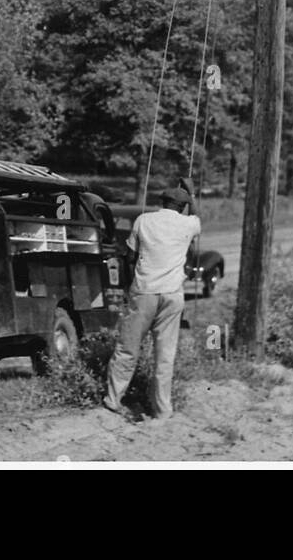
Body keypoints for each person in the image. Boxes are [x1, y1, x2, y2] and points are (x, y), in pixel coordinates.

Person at [103, 178, 201, 420]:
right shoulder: (188, 224)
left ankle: (113, 401)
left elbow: (130, 256)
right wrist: (193, 194)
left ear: (162, 202)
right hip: (172, 295)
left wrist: (128, 287)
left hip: (144, 291)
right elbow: (197, 218)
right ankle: (162, 410)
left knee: (127, 348)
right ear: (183, 206)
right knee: (165, 355)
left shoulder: (143, 220)